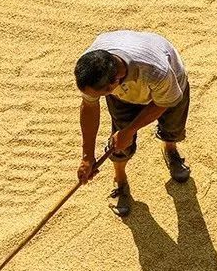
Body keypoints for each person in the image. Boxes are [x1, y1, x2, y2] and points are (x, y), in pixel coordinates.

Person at [74, 30, 191, 217]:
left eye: (103, 93)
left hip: (171, 87)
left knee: (173, 128)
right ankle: (120, 178)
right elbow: (89, 106)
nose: (98, 98)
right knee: (119, 146)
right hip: (125, 94)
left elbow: (163, 103)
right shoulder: (91, 70)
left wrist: (129, 131)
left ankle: (170, 149)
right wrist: (87, 156)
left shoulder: (156, 70)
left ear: (116, 82)